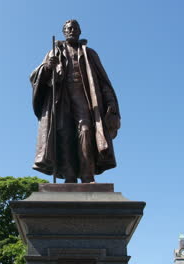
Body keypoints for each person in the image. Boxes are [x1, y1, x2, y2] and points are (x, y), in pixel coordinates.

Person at [30, 19, 120, 183]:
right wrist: (48, 67)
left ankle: (87, 175)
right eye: (68, 28)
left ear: (79, 31)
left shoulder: (89, 53)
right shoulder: (54, 51)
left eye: (75, 28)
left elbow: (102, 81)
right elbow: (35, 76)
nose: (72, 30)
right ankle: (70, 177)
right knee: (64, 134)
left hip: (84, 98)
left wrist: (111, 102)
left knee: (85, 130)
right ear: (64, 32)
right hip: (61, 98)